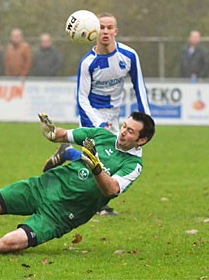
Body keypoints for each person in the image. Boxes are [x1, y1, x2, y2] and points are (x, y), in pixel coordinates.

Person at [0, 112, 155, 254]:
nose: (123, 132)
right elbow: (66, 134)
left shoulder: (133, 165)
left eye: (130, 131)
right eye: (124, 126)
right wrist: (53, 133)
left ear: (141, 140)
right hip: (43, 187)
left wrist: (96, 168)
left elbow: (111, 189)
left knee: (6, 244)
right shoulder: (103, 135)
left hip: (61, 215)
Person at [42, 12, 151, 216]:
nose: (106, 32)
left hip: (115, 116)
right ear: (93, 30)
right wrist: (98, 124)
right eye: (102, 27)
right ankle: (101, 204)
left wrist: (147, 118)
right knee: (100, 160)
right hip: (92, 116)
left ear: (116, 31)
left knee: (102, 159)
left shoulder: (129, 56)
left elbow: (140, 86)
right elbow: (82, 98)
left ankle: (67, 152)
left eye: (110, 27)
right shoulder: (88, 62)